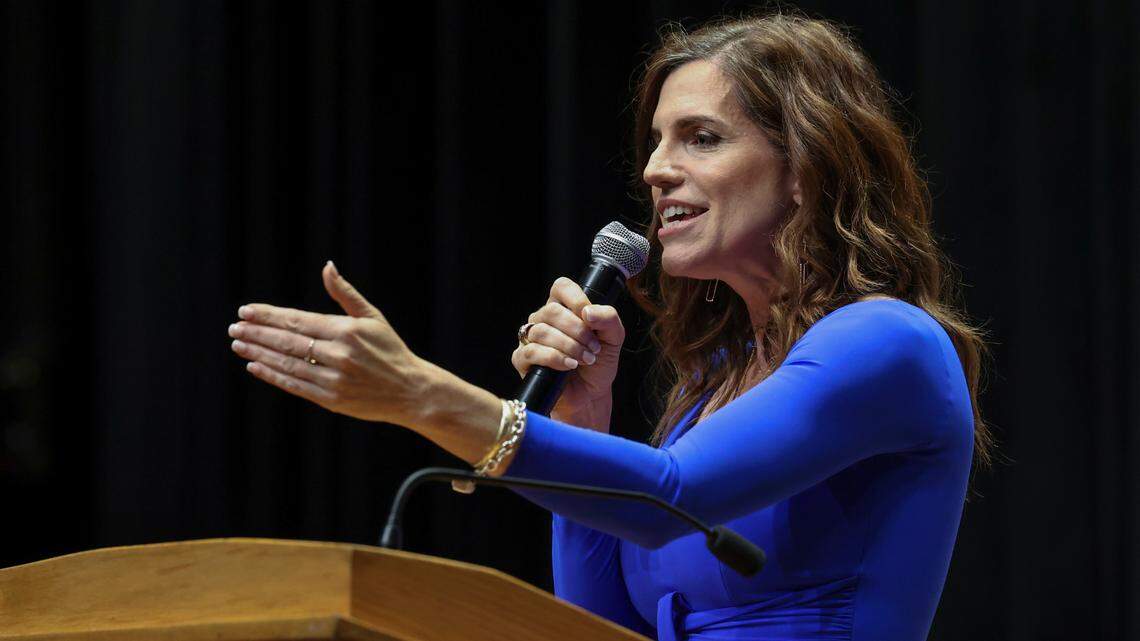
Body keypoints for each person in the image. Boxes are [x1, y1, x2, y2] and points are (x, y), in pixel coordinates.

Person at [226, 12, 994, 641]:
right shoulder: (712, 382)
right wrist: (581, 420)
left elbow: (670, 495)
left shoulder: (888, 343)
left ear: (805, 167)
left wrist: (420, 394)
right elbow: (603, 625)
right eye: (656, 139)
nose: (656, 168)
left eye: (700, 137)